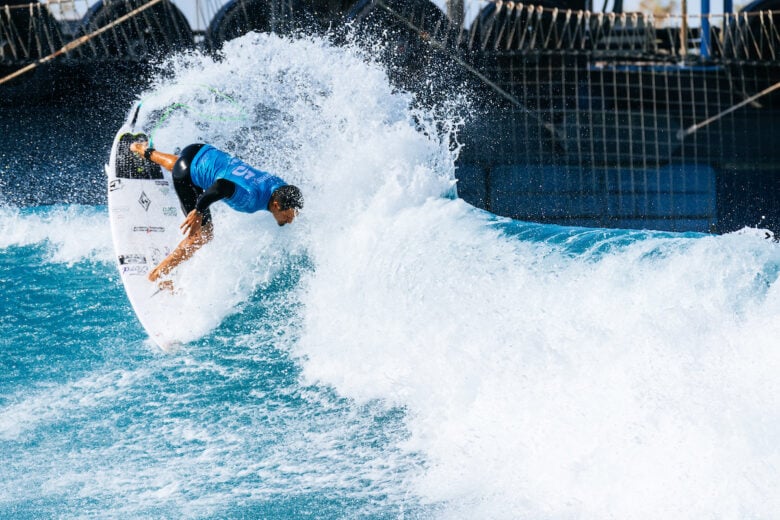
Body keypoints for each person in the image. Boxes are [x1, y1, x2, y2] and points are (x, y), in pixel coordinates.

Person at [129, 141, 303, 283]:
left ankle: (143, 150)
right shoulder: (252, 199)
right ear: (276, 205)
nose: (290, 220)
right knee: (202, 236)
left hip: (198, 150)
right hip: (186, 178)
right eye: (288, 216)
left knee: (181, 165)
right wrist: (198, 211)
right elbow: (221, 186)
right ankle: (156, 275)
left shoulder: (279, 185)